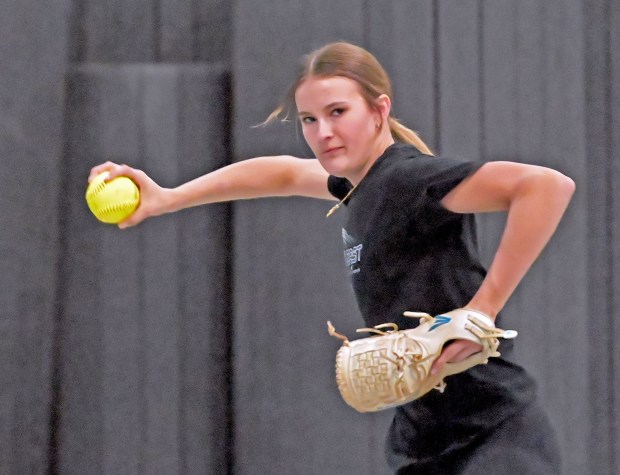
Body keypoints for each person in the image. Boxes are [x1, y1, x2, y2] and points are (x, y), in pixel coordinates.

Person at [89, 42, 575, 474]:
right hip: (424, 438)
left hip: (494, 434)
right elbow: (279, 174)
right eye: (308, 119)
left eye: (338, 112)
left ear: (379, 111)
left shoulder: (406, 179)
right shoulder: (357, 186)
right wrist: (167, 198)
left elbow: (546, 186)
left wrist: (483, 309)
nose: (322, 132)